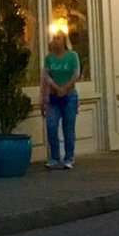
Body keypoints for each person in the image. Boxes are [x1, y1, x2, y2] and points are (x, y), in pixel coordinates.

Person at [41, 30, 80, 169]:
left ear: (64, 41)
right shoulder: (49, 58)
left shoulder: (72, 56)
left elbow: (76, 74)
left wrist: (65, 87)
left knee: (68, 128)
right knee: (51, 127)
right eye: (54, 38)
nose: (55, 41)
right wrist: (54, 89)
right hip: (53, 97)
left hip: (69, 96)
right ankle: (54, 157)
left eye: (58, 38)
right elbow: (46, 76)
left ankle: (69, 157)